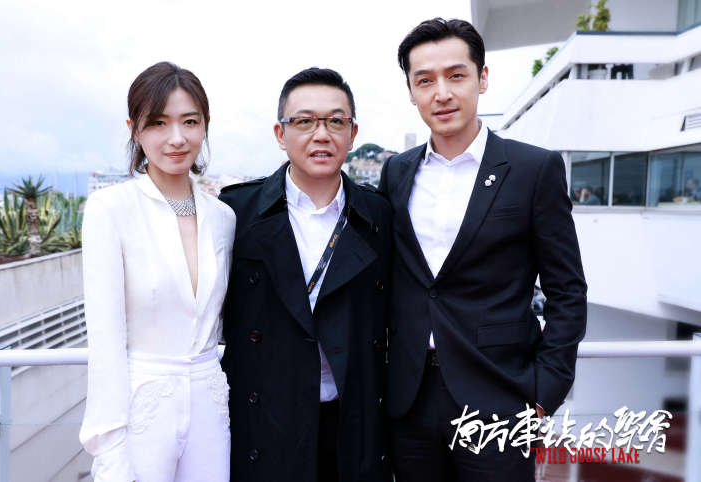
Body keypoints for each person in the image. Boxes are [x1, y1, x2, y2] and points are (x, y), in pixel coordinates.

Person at [379, 18, 587, 481]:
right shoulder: (396, 172)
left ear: (482, 78)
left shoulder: (534, 169)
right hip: (410, 398)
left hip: (500, 396)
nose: (442, 93)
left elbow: (567, 290)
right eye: (424, 81)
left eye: (456, 76)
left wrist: (545, 393)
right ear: (411, 92)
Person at [219, 67, 392, 482]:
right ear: (281, 134)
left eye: (335, 121)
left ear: (352, 133)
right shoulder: (236, 211)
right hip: (266, 422)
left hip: (351, 423)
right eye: (304, 121)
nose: (321, 134)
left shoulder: (379, 215)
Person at [79, 61, 235, 482]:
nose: (177, 138)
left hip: (210, 403)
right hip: (140, 409)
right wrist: (109, 448)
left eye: (190, 122)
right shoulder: (110, 210)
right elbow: (106, 340)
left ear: (205, 125)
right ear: (135, 129)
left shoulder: (223, 218)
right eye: (159, 123)